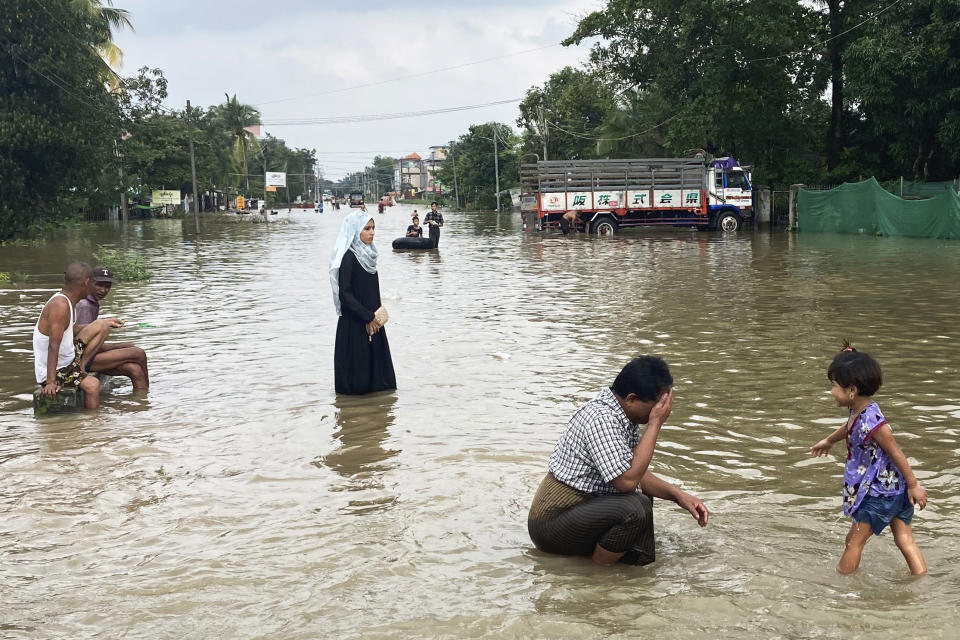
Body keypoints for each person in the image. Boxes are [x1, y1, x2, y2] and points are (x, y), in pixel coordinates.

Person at [528, 357, 709, 566]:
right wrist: (655, 424)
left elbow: (634, 472)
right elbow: (626, 482)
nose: (662, 411)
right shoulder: (602, 419)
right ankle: (599, 575)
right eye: (657, 406)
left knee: (641, 503)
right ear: (631, 399)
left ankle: (628, 569)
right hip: (552, 523)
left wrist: (679, 496)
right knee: (635, 507)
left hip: (581, 511)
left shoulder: (622, 415)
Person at [810, 342, 928, 575]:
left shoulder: (873, 421)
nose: (831, 391)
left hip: (879, 494)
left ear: (851, 390)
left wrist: (914, 485)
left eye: (834, 386)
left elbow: (896, 451)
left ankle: (843, 589)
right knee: (904, 539)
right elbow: (850, 427)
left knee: (853, 542)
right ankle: (920, 579)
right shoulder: (860, 410)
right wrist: (829, 440)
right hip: (894, 490)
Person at [33, 262, 122, 410]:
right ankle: (91, 426)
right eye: (93, 283)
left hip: (68, 359)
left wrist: (104, 323)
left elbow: (73, 330)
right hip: (58, 369)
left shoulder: (69, 301)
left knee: (101, 324)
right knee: (93, 385)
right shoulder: (60, 305)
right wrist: (50, 382)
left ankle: (81, 369)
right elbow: (53, 344)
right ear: (87, 282)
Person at [329, 210, 397, 395]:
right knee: (356, 384)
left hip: (374, 323)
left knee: (381, 384)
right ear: (354, 231)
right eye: (367, 228)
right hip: (355, 325)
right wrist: (367, 317)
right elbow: (345, 294)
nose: (372, 232)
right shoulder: (349, 258)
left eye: (373, 228)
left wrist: (376, 317)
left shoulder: (370, 256)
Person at [75, 266, 150, 389]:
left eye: (107, 286)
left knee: (134, 369)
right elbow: (82, 344)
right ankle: (149, 393)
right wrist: (117, 346)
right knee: (138, 353)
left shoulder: (92, 302)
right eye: (99, 285)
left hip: (87, 356)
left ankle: (143, 401)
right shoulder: (84, 305)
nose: (103, 290)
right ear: (89, 283)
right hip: (81, 360)